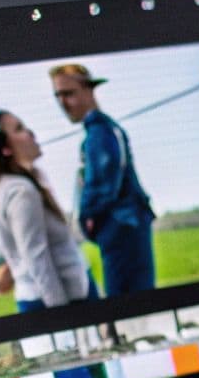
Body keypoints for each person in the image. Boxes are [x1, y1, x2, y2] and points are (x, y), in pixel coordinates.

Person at [50, 62, 157, 296]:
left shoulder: (99, 132)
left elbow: (102, 184)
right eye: (57, 96)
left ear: (89, 90)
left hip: (121, 226)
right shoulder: (101, 130)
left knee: (126, 302)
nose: (63, 103)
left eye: (68, 94)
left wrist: (87, 217)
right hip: (126, 225)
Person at [0, 110, 95, 312]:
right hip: (59, 299)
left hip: (57, 294)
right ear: (5, 149)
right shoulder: (21, 191)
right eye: (19, 129)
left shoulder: (15, 184)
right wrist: (62, 316)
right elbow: (35, 256)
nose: (31, 133)